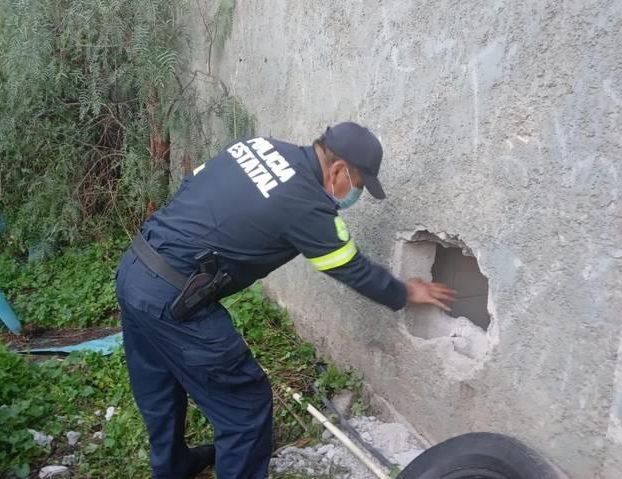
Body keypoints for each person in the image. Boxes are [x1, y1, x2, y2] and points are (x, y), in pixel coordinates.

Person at [115, 122, 456, 478]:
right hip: (173, 300)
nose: (356, 195)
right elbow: (352, 268)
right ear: (338, 170)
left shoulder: (258, 147)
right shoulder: (308, 204)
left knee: (158, 382)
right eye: (358, 186)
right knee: (245, 408)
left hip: (136, 266)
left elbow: (194, 183)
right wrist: (405, 292)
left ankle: (172, 467)